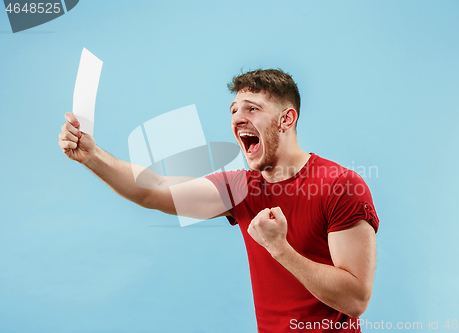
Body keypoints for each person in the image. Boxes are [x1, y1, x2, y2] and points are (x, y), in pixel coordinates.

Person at [59, 69, 379, 332]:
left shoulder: (340, 185)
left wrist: (279, 248)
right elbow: (152, 189)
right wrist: (92, 156)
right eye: (234, 110)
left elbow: (355, 300)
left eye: (252, 108)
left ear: (286, 119)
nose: (238, 118)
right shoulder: (239, 187)